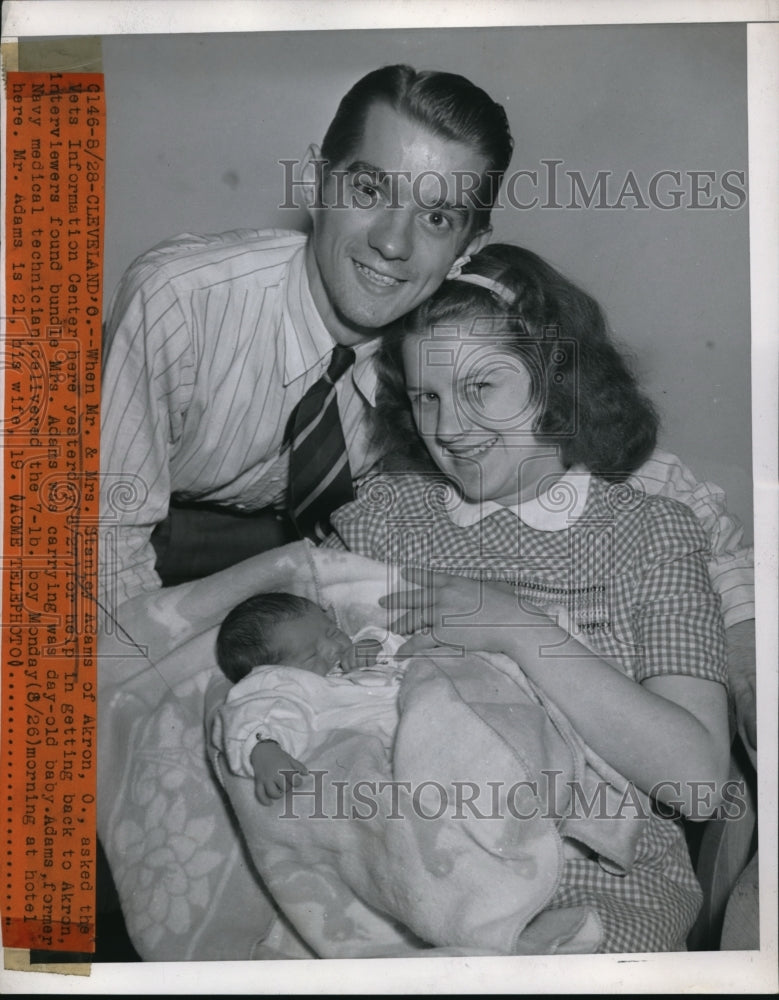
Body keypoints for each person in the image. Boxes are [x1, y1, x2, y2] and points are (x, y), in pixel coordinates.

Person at [321, 243, 735, 952]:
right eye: (427, 396)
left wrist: (517, 627)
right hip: (395, 871)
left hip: (591, 888)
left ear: (551, 378)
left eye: (480, 387)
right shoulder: (383, 516)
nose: (448, 428)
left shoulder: (649, 534)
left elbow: (695, 783)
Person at [99, 64, 512, 608]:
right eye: (369, 190)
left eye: (437, 218)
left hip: (288, 554)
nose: (392, 243)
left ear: (469, 248)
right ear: (317, 185)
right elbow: (105, 551)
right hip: (129, 522)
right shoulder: (179, 301)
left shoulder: (448, 349)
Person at [211, 592, 406, 805]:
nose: (334, 648)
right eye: (312, 656)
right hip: (398, 743)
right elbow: (251, 714)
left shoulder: (357, 646)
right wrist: (263, 749)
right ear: (273, 673)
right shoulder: (290, 687)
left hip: (428, 695)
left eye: (332, 633)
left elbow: (396, 643)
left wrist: (373, 644)